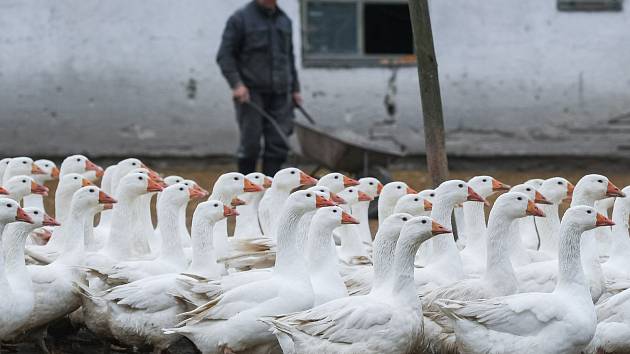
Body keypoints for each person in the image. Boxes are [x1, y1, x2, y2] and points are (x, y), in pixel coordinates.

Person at [217, 0, 302, 176]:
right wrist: (237, 84)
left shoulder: (284, 20)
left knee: (278, 144)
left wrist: (295, 88)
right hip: (250, 93)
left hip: (281, 93)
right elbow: (225, 56)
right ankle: (246, 189)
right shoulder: (240, 19)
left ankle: (271, 190)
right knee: (250, 144)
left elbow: (289, 57)